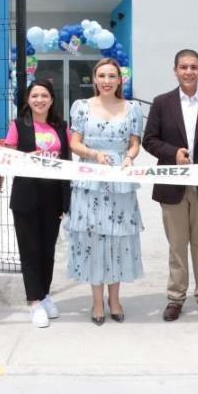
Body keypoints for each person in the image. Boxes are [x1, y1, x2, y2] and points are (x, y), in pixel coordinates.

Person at [143, 49, 198, 323]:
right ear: (175, 71)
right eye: (184, 67)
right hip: (173, 186)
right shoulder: (162, 102)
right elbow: (150, 140)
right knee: (177, 245)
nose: (189, 72)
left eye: (194, 67)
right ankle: (175, 298)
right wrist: (173, 153)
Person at [67, 58, 144, 326]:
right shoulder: (82, 108)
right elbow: (74, 143)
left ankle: (115, 299)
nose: (107, 80)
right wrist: (93, 154)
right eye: (102, 75)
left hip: (119, 183)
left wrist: (129, 158)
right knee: (94, 240)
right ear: (95, 78)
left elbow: (134, 144)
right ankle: (97, 301)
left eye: (113, 76)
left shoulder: (132, 109)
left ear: (120, 80)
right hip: (90, 181)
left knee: (118, 240)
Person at [3, 79, 71, 328]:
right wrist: (24, 158)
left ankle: (45, 294)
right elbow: (6, 157)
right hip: (26, 196)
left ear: (52, 99)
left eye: (44, 95)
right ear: (28, 100)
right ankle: (34, 302)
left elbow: (67, 160)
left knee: (48, 251)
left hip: (52, 197)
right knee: (30, 251)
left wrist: (66, 200)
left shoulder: (61, 127)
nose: (40, 100)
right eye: (35, 96)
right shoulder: (18, 126)